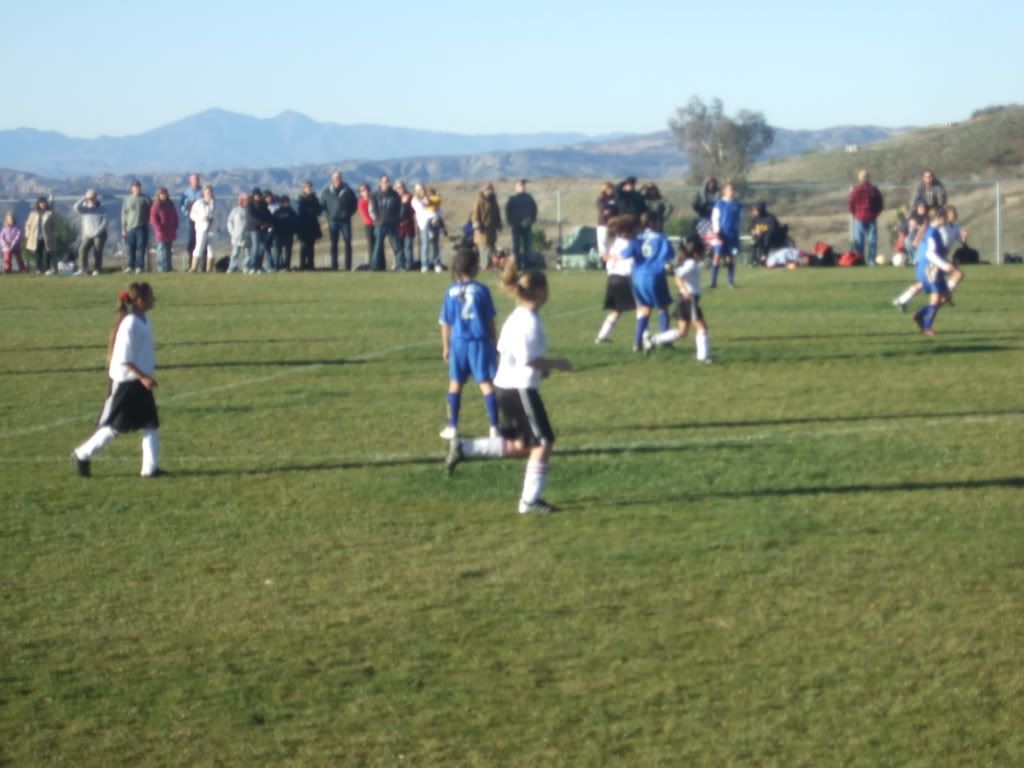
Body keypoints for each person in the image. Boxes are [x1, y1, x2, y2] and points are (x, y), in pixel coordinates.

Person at [444, 257, 573, 515]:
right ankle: (529, 502)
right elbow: (527, 359)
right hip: (519, 389)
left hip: (505, 387)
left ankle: (465, 448)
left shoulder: (517, 317)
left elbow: (505, 349)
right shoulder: (529, 322)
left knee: (521, 445)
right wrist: (557, 363)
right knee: (543, 443)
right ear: (540, 291)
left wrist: (540, 369)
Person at [71, 282, 164, 478]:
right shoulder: (130, 324)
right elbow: (123, 359)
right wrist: (143, 377)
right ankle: (81, 454)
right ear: (140, 301)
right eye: (151, 296)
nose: (154, 300)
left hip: (140, 382)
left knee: (150, 423)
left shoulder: (144, 319)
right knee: (115, 428)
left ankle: (150, 469)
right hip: (127, 383)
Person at [438, 244, 500, 440]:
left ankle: (452, 426)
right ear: (474, 268)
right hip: (479, 342)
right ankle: (494, 428)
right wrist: (495, 343)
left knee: (455, 384)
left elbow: (445, 323)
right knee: (486, 384)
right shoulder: (482, 290)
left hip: (458, 343)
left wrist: (446, 347)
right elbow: (489, 320)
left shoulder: (450, 291)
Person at [645, 234, 712, 362]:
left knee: (682, 332)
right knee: (702, 328)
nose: (704, 253)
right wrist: (685, 290)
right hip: (688, 299)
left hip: (685, 300)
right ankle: (703, 357)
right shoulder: (691, 263)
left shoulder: (690, 263)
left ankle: (653, 340)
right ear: (696, 252)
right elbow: (677, 276)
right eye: (702, 251)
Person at [912, 208, 963, 336]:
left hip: (935, 267)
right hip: (930, 268)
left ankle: (921, 315)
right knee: (936, 298)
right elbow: (930, 254)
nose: (946, 219)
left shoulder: (935, 231)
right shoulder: (932, 232)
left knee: (946, 297)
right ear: (939, 218)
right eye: (945, 217)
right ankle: (927, 327)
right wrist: (945, 265)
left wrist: (946, 262)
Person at [632, 212, 675, 353]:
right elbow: (669, 255)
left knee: (645, 309)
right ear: (652, 222)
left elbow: (628, 253)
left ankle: (637, 343)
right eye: (657, 221)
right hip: (655, 275)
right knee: (663, 307)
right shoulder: (661, 238)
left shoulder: (637, 238)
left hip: (638, 277)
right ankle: (664, 341)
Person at [594, 215, 639, 344]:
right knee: (641, 308)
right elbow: (630, 265)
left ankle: (602, 336)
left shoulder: (615, 243)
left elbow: (608, 261)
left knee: (617, 310)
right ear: (629, 231)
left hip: (612, 278)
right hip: (624, 278)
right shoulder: (630, 244)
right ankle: (644, 336)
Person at [321, 171, 357, 270]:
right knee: (334, 244)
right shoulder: (326, 192)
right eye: (335, 178)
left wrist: (348, 214)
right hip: (333, 221)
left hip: (345, 221)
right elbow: (323, 206)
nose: (337, 179)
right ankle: (334, 266)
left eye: (338, 177)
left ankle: (348, 266)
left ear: (341, 178)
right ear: (332, 179)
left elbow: (354, 205)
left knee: (348, 243)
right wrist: (328, 216)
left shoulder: (348, 191)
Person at [848, 169, 884, 266]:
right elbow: (880, 204)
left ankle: (861, 260)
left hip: (860, 217)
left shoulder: (856, 190)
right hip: (870, 217)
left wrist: (855, 214)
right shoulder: (874, 190)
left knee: (860, 241)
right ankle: (871, 260)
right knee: (871, 240)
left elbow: (851, 205)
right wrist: (875, 214)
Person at [710, 182, 741, 288]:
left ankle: (730, 281)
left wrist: (738, 231)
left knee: (730, 257)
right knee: (717, 256)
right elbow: (714, 218)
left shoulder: (737, 204)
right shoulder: (719, 203)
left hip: (732, 235)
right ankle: (713, 282)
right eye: (729, 189)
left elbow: (739, 220)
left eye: (733, 189)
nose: (731, 191)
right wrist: (717, 230)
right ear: (724, 191)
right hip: (721, 234)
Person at [370, 175, 402, 271]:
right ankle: (374, 266)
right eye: (384, 182)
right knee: (378, 246)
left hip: (392, 224)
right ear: (380, 183)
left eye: (388, 181)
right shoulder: (375, 195)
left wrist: (396, 220)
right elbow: (373, 209)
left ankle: (401, 265)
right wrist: (377, 220)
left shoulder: (395, 195)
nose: (387, 183)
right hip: (380, 225)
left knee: (397, 246)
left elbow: (399, 208)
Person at [74, 189, 108, 276]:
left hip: (99, 234)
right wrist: (85, 198)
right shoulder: (84, 209)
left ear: (96, 198)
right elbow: (76, 207)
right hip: (87, 234)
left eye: (93, 197)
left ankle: (97, 269)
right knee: (82, 249)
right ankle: (83, 269)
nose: (92, 199)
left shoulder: (102, 209)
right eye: (90, 198)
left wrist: (97, 232)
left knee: (97, 250)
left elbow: (105, 222)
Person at [121, 180, 152, 273]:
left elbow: (152, 211)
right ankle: (130, 266)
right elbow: (124, 214)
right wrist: (124, 228)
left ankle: (139, 267)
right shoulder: (127, 199)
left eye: (138, 186)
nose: (137, 188)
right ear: (132, 188)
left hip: (142, 226)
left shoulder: (146, 199)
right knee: (130, 248)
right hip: (130, 227)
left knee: (141, 247)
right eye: (135, 187)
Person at [505, 179, 538, 260]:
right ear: (516, 187)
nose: (522, 187)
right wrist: (511, 221)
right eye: (520, 185)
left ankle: (528, 263)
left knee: (528, 246)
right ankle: (516, 262)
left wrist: (532, 219)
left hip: (527, 225)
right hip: (516, 226)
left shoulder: (529, 198)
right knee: (516, 246)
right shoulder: (512, 199)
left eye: (523, 185)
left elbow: (534, 209)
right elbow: (508, 211)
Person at [471, 182, 502, 268]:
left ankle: (490, 266)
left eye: (491, 189)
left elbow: (497, 213)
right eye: (488, 190)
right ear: (484, 190)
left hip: (492, 230)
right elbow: (475, 214)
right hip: (482, 231)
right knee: (484, 250)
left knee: (491, 249)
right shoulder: (479, 201)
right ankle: (485, 266)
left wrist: (499, 224)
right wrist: (477, 226)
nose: (490, 191)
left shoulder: (493, 201)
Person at [24, 197, 57, 275]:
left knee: (47, 253)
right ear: (38, 204)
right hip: (35, 237)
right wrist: (28, 234)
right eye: (41, 203)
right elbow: (28, 224)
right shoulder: (33, 214)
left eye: (44, 203)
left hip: (47, 237)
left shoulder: (50, 213)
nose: (43, 204)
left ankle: (47, 269)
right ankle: (39, 269)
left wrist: (53, 233)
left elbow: (54, 225)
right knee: (38, 254)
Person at [149, 187, 179, 272]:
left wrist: (175, 226)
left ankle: (169, 267)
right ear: (158, 195)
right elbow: (153, 219)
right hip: (161, 231)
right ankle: (161, 268)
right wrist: (159, 229)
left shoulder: (170, 205)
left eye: (165, 193)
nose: (163, 195)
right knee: (161, 249)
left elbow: (175, 216)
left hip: (170, 231)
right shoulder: (156, 205)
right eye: (161, 194)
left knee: (168, 250)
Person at [295, 181, 322, 271]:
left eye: (310, 187)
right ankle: (302, 265)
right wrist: (311, 210)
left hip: (313, 225)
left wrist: (312, 210)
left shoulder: (315, 198)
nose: (309, 189)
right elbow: (300, 211)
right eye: (307, 187)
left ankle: (311, 265)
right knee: (304, 246)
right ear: (304, 189)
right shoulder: (301, 199)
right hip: (303, 225)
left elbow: (318, 211)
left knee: (311, 246)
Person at [188, 184, 216, 272]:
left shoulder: (216, 204)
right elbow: (192, 215)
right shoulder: (199, 203)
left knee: (211, 249)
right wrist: (201, 218)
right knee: (199, 247)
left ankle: (209, 269)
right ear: (203, 193)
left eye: (210, 192)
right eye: (207, 192)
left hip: (213, 229)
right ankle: (194, 268)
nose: (209, 194)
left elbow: (222, 215)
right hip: (201, 228)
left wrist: (219, 227)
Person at [179, 173, 202, 271]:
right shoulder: (186, 193)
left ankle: (202, 265)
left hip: (201, 221)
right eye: (194, 179)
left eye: (197, 179)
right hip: (191, 220)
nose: (196, 181)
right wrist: (187, 212)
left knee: (201, 242)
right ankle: (191, 264)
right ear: (190, 181)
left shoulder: (202, 192)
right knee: (191, 242)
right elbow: (181, 206)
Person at [247, 189, 273, 273]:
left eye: (259, 195)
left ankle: (259, 266)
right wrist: (260, 224)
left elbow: (268, 215)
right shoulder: (250, 205)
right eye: (256, 195)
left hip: (264, 229)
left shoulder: (263, 204)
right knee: (255, 248)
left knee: (262, 248)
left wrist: (267, 224)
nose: (258, 197)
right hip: (254, 229)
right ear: (253, 196)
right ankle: (252, 266)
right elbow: (251, 217)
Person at [271, 195, 299, 270]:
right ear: (281, 203)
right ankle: (277, 266)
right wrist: (275, 232)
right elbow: (273, 222)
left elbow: (296, 222)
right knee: (278, 251)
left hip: (289, 233)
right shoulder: (277, 212)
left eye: (287, 202)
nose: (286, 203)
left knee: (288, 251)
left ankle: (287, 266)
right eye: (285, 202)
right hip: (279, 234)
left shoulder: (292, 212)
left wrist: (295, 230)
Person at [226, 192, 250, 273]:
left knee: (247, 253)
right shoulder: (235, 210)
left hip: (246, 235)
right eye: (244, 200)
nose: (246, 201)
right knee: (235, 252)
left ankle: (246, 267)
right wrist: (232, 232)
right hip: (237, 235)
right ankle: (232, 267)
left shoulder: (249, 210)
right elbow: (229, 221)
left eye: (247, 200)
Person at [395, 181, 415, 271]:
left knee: (409, 246)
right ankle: (400, 264)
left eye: (401, 187)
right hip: (397, 226)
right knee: (399, 247)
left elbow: (413, 210)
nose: (400, 189)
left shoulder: (410, 197)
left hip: (408, 225)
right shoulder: (394, 198)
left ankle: (409, 265)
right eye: (398, 187)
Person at [595, 181, 617, 257]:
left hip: (613, 224)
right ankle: (603, 259)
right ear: (604, 189)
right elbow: (603, 209)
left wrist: (610, 209)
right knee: (602, 242)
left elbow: (616, 208)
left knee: (613, 242)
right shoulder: (601, 199)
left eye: (611, 189)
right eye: (608, 189)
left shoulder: (615, 199)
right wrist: (610, 209)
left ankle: (612, 258)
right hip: (603, 224)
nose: (610, 191)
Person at [357, 183, 375, 266]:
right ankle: (372, 264)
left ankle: (381, 264)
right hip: (369, 225)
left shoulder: (374, 200)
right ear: (361, 193)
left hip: (377, 225)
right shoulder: (361, 203)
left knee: (379, 245)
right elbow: (365, 216)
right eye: (363, 191)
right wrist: (374, 222)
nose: (366, 192)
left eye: (367, 190)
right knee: (371, 245)